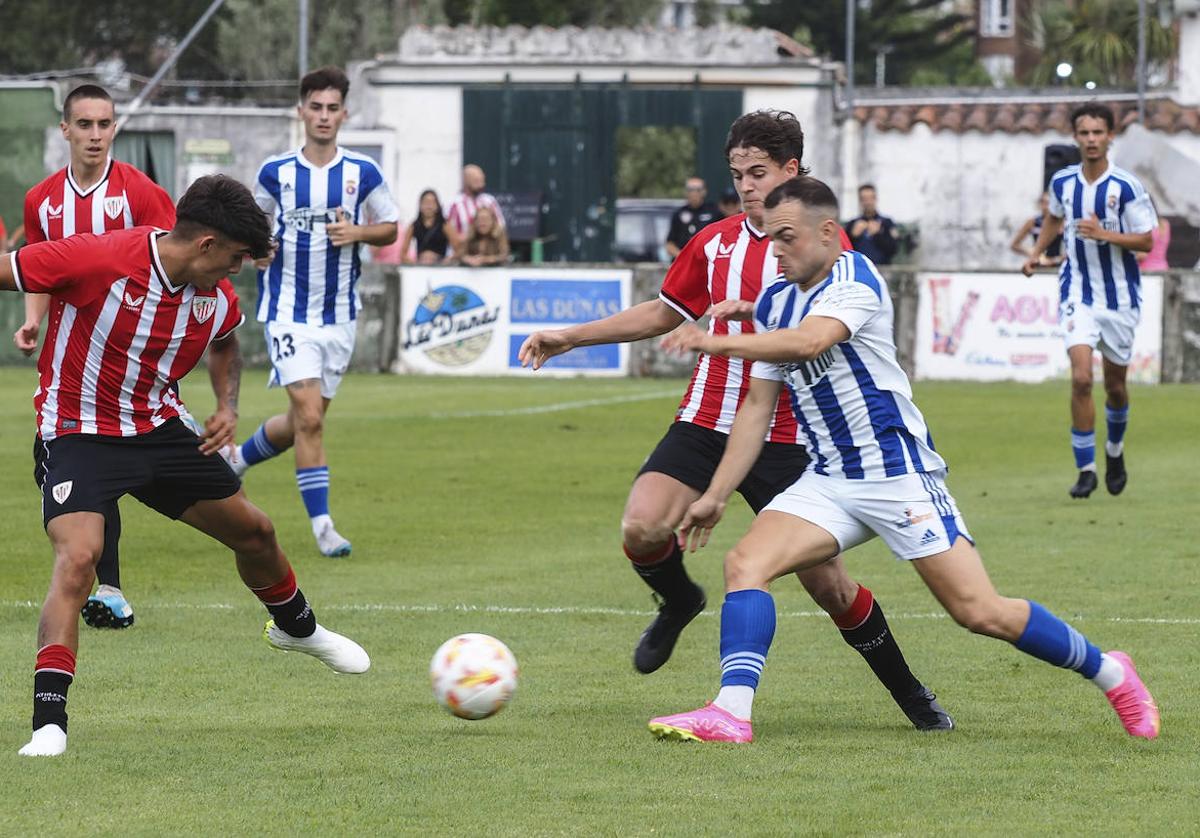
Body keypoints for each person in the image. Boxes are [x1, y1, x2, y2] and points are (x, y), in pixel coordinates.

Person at [648, 175, 1159, 744]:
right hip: (829, 481)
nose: (777, 249)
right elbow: (756, 408)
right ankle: (730, 712)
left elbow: (810, 342)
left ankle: (1113, 672)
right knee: (745, 564)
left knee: (979, 611)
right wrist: (717, 494)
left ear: (827, 232)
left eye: (787, 237)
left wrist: (715, 341)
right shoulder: (774, 301)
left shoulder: (856, 277)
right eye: (770, 239)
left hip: (899, 477)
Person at [519, 110, 952, 731]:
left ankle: (912, 694)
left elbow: (819, 335)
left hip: (786, 434)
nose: (746, 185)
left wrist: (745, 321)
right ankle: (679, 600)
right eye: (738, 174)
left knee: (829, 588)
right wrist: (572, 337)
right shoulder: (714, 241)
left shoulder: (826, 246)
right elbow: (664, 312)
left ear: (791, 171)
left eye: (758, 172)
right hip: (704, 419)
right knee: (643, 526)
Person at [1, 175, 371, 757]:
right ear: (204, 244)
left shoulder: (214, 295)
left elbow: (224, 343)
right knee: (78, 559)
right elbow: (9, 270)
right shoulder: (101, 257)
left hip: (161, 431)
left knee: (257, 533)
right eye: (233, 258)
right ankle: (49, 723)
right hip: (79, 432)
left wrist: (227, 406)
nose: (236, 271)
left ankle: (299, 630)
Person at [12, 84, 191, 631]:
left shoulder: (140, 194)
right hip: (69, 362)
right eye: (84, 124)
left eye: (105, 124)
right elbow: (39, 269)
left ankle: (108, 586)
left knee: (114, 464)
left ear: (116, 129)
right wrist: (34, 318)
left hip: (131, 360)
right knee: (82, 469)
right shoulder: (41, 201)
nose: (95, 135)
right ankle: (107, 587)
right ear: (64, 130)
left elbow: (174, 267)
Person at [226, 66, 399, 557]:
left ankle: (237, 458)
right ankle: (324, 527)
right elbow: (251, 226)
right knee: (309, 418)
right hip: (287, 312)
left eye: (332, 108)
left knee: (306, 419)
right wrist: (255, 251)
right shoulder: (274, 172)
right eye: (315, 107)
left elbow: (390, 225)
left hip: (339, 315)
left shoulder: (362, 172)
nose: (323, 117)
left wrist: (359, 233)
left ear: (345, 113)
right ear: (301, 112)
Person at [1022, 103, 1156, 499]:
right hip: (1077, 291)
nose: (1092, 140)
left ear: (1110, 136)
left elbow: (1147, 240)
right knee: (1081, 378)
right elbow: (1054, 219)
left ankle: (1114, 451)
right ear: (1076, 137)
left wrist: (1104, 234)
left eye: (1099, 132)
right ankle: (1086, 470)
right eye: (1085, 133)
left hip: (1119, 298)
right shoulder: (1063, 182)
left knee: (1115, 386)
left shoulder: (1127, 187)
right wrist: (1036, 253)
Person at [665, 176, 722, 260]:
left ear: (704, 191)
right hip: (684, 261)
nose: (694, 193)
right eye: (691, 189)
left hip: (707, 260)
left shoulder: (714, 211)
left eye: (698, 189)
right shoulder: (679, 214)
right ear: (686, 192)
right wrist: (684, 257)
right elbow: (670, 244)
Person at [446, 164, 505, 239]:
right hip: (461, 248)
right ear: (466, 180)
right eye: (476, 180)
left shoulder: (489, 201)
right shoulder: (453, 204)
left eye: (482, 180)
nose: (481, 184)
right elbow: (446, 229)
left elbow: (500, 225)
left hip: (488, 248)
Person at [401, 189, 457, 264]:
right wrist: (414, 265)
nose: (429, 206)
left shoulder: (445, 225)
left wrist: (446, 262)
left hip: (440, 267)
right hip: (421, 266)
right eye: (425, 202)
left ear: (437, 206)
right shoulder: (414, 226)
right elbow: (403, 253)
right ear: (420, 205)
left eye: (432, 203)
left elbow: (458, 249)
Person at [847, 184, 899, 265]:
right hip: (858, 268)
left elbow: (893, 250)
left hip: (882, 269)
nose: (868, 202)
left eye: (870, 198)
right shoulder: (852, 224)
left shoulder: (886, 223)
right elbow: (844, 251)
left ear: (875, 199)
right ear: (860, 201)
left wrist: (878, 235)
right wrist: (853, 236)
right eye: (864, 199)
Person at [1010, 192, 1063, 267]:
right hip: (1037, 264)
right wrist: (1031, 252)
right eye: (1043, 203)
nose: (1046, 207)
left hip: (1056, 266)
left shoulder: (1062, 223)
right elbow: (1014, 245)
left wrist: (1055, 260)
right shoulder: (1033, 222)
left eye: (1049, 203)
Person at [1137, 206, 1171, 272]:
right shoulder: (1165, 224)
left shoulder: (1146, 227)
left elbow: (1142, 255)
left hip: (1147, 272)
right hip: (1163, 269)